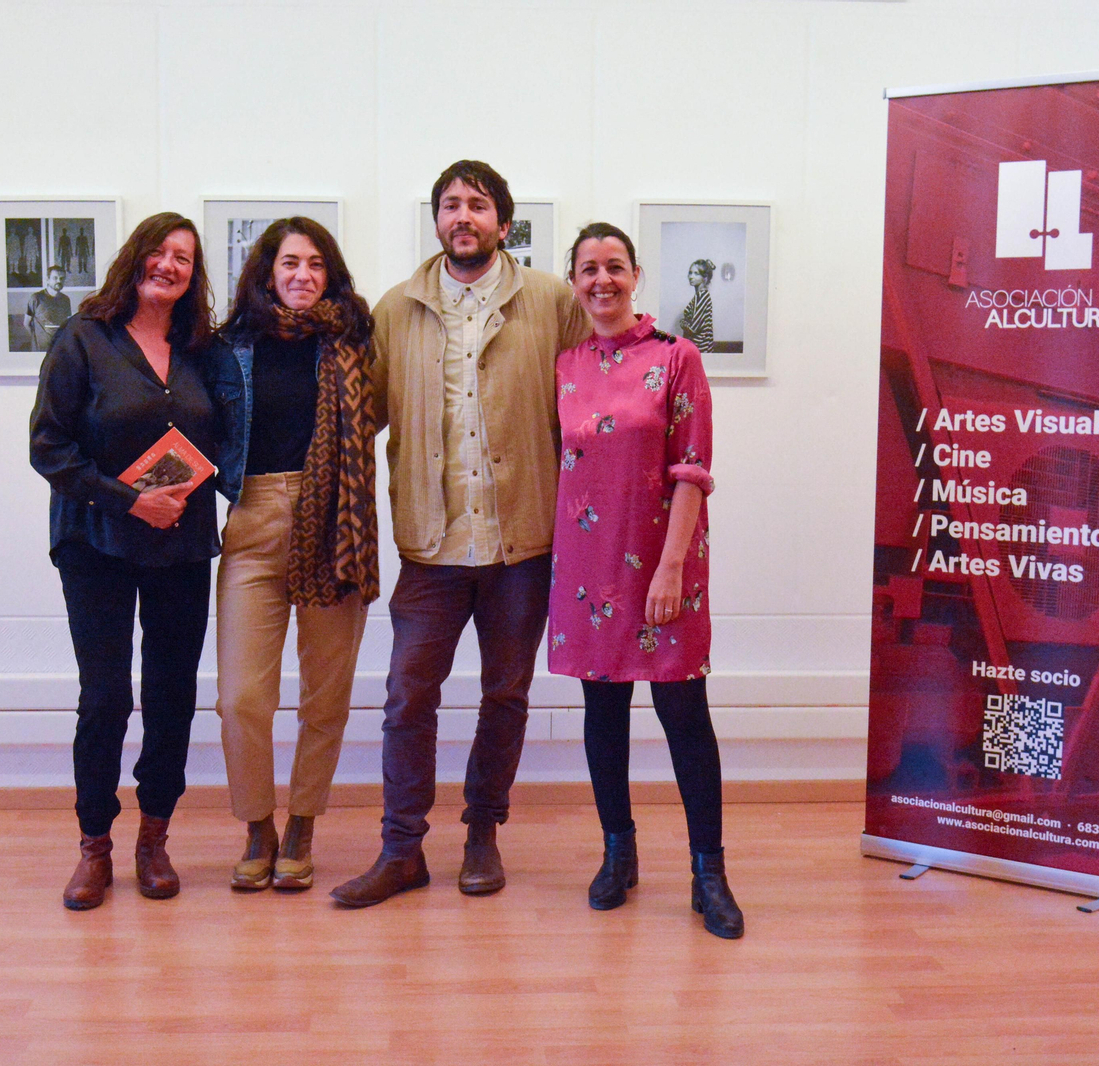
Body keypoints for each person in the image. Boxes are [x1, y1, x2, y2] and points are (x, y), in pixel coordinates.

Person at [330, 160, 588, 908]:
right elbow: (359, 415)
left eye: (478, 205)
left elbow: (592, 393)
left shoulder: (552, 301)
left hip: (522, 546)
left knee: (505, 692)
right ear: (437, 221)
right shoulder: (395, 309)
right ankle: (401, 847)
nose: (463, 216)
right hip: (431, 546)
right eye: (450, 205)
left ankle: (482, 832)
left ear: (504, 224)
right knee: (408, 695)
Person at [548, 222, 742, 938]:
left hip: (666, 563)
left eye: (614, 266)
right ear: (574, 283)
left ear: (634, 276)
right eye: (588, 269)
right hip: (587, 567)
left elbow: (693, 470)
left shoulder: (677, 357)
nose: (602, 280)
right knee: (603, 715)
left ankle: (709, 871)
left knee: (684, 714)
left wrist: (668, 568)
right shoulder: (566, 364)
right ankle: (617, 852)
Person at [29, 212, 219, 911]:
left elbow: (230, 429)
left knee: (172, 694)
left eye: (185, 259)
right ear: (135, 258)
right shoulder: (83, 338)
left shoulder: (202, 348)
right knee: (106, 696)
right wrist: (127, 501)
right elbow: (47, 448)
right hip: (97, 545)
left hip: (181, 546)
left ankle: (154, 839)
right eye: (161, 252)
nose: (170, 265)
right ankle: (94, 847)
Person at [207, 218, 378, 892]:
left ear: (329, 274)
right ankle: (257, 824)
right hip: (251, 522)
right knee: (240, 698)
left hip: (334, 522)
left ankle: (303, 821)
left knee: (325, 695)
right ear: (266, 272)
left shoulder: (356, 346)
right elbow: (192, 423)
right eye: (289, 263)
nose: (301, 274)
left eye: (314, 264)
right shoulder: (230, 348)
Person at [26, 265, 72, 352]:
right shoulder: (36, 298)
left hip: (59, 349)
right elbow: (26, 323)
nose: (59, 281)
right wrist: (37, 339)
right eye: (55, 278)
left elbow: (67, 323)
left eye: (62, 278)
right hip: (40, 350)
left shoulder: (66, 299)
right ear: (47, 279)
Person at [677, 258, 715, 354]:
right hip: (697, 348)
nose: (691, 276)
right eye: (690, 273)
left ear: (705, 278)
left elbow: (693, 328)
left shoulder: (702, 296)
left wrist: (682, 322)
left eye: (696, 273)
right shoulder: (700, 295)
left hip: (700, 348)